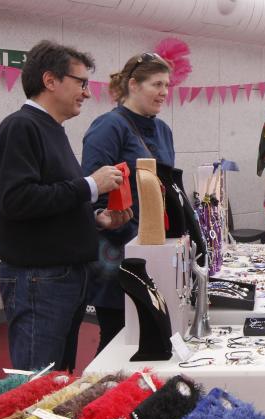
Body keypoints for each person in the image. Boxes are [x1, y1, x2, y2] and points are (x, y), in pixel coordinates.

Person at [0, 40, 131, 371]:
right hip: (39, 280)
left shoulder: (52, 130)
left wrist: (96, 219)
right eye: (81, 82)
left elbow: (51, 201)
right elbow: (16, 200)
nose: (87, 92)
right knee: (37, 384)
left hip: (62, 278)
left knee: (57, 380)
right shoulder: (20, 127)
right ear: (50, 80)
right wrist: (91, 185)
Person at [82, 52, 174, 353]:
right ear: (133, 84)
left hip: (155, 247)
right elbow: (92, 189)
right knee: (117, 342)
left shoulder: (163, 130)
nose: (164, 92)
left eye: (167, 85)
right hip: (118, 250)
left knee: (153, 336)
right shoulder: (108, 126)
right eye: (156, 84)